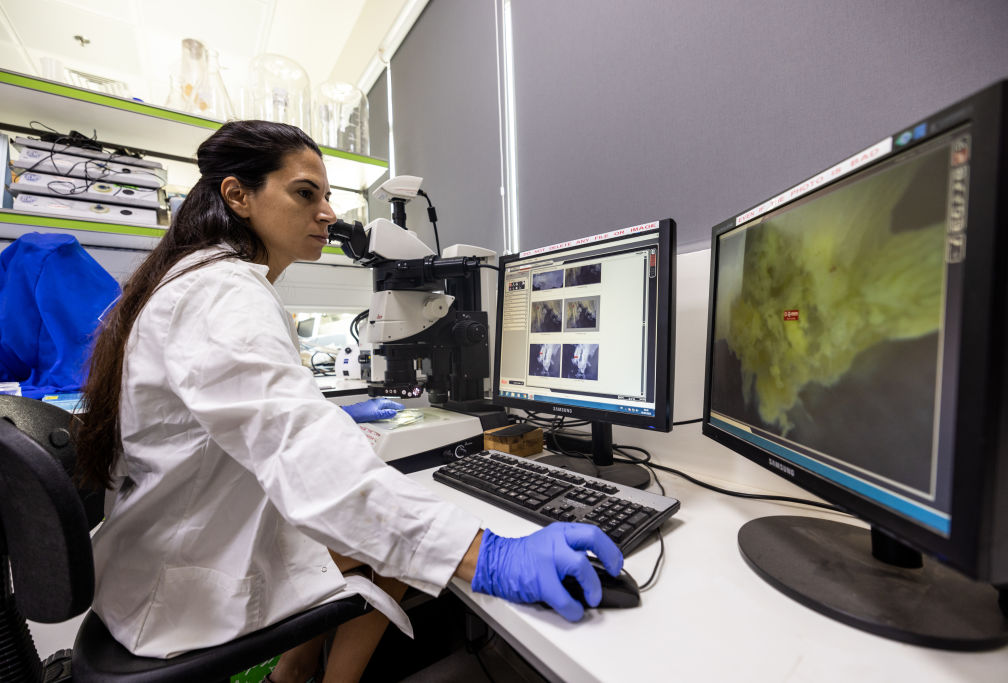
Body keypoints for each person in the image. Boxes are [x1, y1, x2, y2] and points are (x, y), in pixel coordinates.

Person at [76, 120, 623, 683]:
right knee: (392, 545)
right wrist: (489, 555)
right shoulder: (222, 291)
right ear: (238, 196)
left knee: (386, 532)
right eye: (305, 193)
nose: (329, 213)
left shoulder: (204, 279)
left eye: (328, 196)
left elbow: (248, 415)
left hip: (168, 550)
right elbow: (300, 450)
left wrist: (333, 415)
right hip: (180, 583)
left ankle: (291, 676)